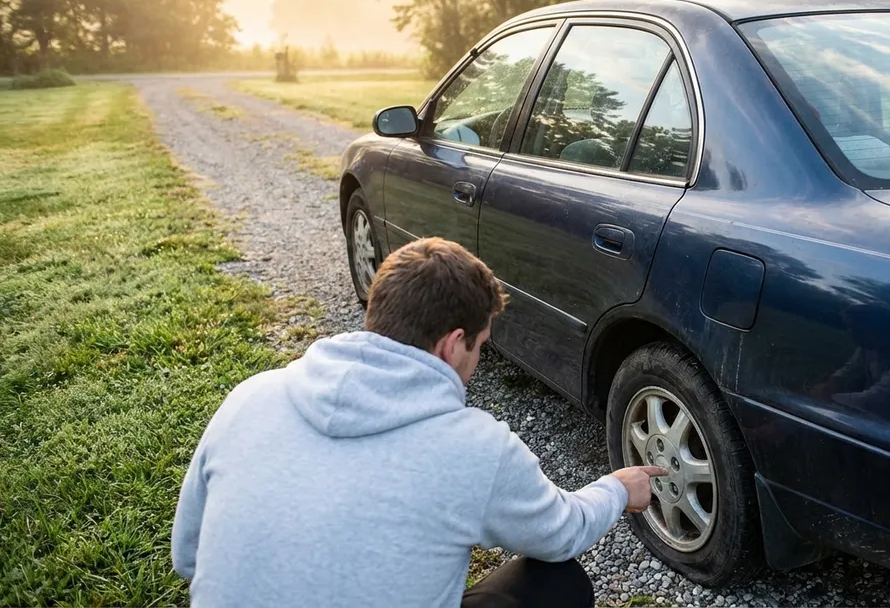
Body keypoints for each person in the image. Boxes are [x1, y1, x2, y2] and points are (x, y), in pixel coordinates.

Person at [171, 237, 667, 607]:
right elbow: (561, 533)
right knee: (556, 583)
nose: (476, 361)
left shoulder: (251, 397)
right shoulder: (474, 447)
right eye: (480, 346)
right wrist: (619, 488)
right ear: (453, 343)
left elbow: (187, 557)